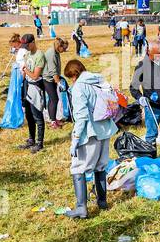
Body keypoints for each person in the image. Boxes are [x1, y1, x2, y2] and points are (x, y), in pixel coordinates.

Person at [61, 58, 116, 219]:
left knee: (78, 168)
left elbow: (81, 117)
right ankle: (102, 201)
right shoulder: (98, 80)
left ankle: (81, 207)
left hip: (90, 133)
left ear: (74, 75)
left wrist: (75, 139)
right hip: (105, 129)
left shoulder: (79, 87)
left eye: (70, 77)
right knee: (100, 166)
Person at [130, 39, 160, 156]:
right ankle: (153, 160)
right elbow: (133, 87)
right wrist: (140, 97)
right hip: (153, 109)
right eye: (156, 54)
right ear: (148, 52)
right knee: (151, 135)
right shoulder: (141, 66)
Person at [19, 34, 47, 152]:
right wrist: (24, 73)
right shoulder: (27, 54)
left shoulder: (39, 55)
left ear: (33, 42)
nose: (25, 47)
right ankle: (31, 139)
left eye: (27, 45)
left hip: (36, 87)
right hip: (27, 85)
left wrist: (25, 70)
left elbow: (35, 76)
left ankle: (40, 143)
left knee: (37, 115)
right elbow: (25, 71)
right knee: (29, 114)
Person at [42, 37, 64, 127]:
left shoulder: (56, 52)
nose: (65, 50)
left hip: (52, 79)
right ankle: (52, 121)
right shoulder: (51, 54)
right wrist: (59, 82)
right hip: (48, 79)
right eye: (64, 48)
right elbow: (52, 71)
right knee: (54, 99)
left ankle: (53, 118)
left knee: (53, 99)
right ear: (59, 46)